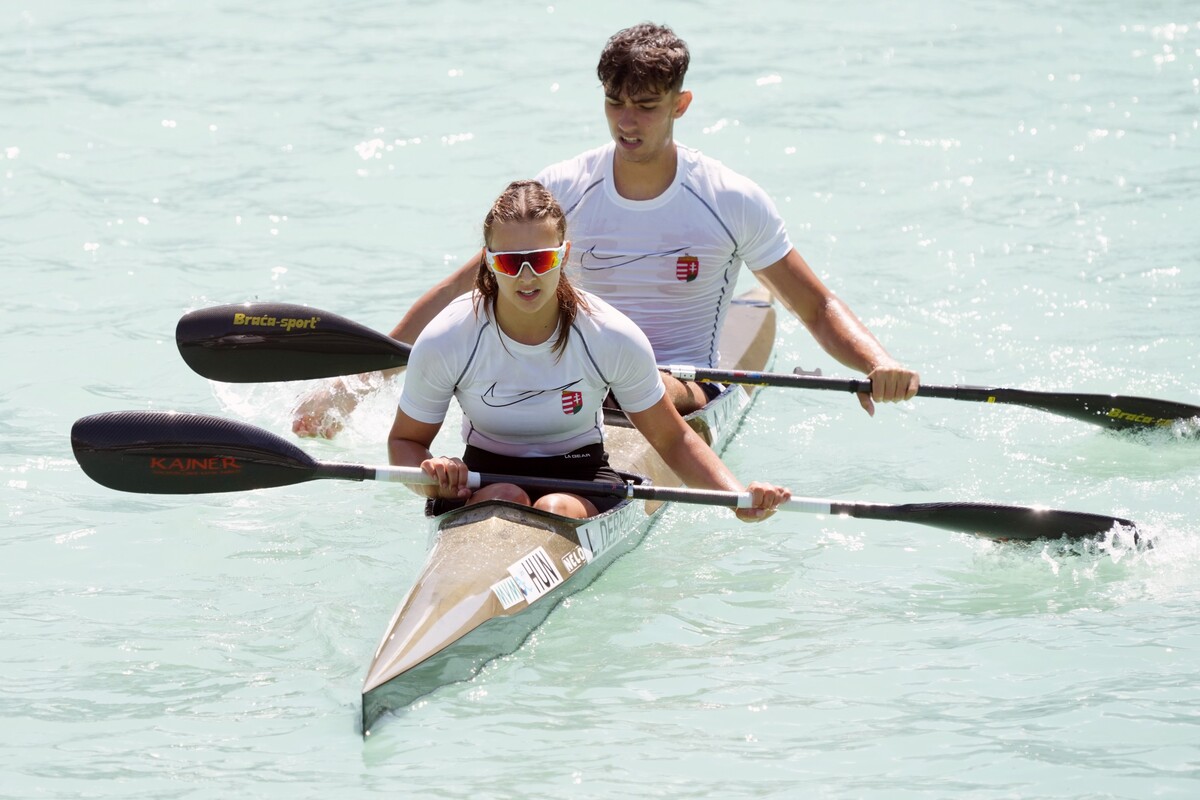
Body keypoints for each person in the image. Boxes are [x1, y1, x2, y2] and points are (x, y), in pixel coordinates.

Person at [295, 22, 919, 438]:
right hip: (569, 382)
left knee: (622, 383)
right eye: (615, 102)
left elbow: (813, 304)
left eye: (646, 106)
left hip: (680, 389)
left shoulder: (730, 199)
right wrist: (354, 385)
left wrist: (877, 362)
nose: (627, 121)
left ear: (681, 104)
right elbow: (467, 286)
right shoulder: (563, 189)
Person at [388, 179, 790, 522]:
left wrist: (737, 497)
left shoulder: (609, 334)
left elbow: (673, 440)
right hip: (483, 476)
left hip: (578, 472)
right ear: (490, 263)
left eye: (541, 259)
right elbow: (404, 443)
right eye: (511, 263)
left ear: (563, 254)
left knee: (556, 507)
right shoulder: (449, 337)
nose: (527, 277)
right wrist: (432, 472)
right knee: (502, 499)